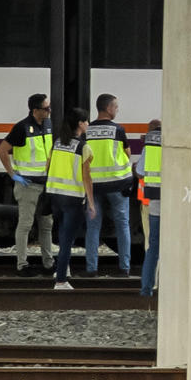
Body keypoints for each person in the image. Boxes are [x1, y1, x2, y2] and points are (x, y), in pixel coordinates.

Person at [0, 93, 54, 275]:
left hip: (45, 183)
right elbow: (2, 150)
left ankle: (48, 262)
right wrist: (13, 175)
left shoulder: (48, 125)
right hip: (28, 184)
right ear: (35, 110)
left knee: (46, 224)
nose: (49, 111)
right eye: (46, 108)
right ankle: (22, 264)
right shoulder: (22, 127)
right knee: (25, 224)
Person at [82, 93, 133, 279]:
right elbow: (127, 153)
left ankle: (91, 269)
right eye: (116, 107)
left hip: (93, 187)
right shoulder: (118, 130)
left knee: (93, 227)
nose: (117, 110)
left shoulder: (87, 131)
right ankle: (124, 268)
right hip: (117, 185)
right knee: (122, 225)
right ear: (108, 108)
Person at [45, 108, 97, 290]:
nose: (88, 125)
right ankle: (60, 281)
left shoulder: (57, 143)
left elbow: (47, 167)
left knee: (61, 235)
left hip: (55, 196)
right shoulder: (84, 148)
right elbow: (87, 178)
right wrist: (91, 203)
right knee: (67, 240)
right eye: (87, 121)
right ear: (81, 124)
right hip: (73, 198)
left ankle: (61, 268)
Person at [138, 118, 164, 298]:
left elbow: (140, 171)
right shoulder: (177, 141)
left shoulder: (150, 146)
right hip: (177, 203)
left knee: (153, 247)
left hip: (155, 203)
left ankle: (146, 290)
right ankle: (167, 287)